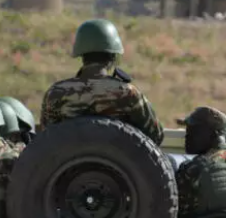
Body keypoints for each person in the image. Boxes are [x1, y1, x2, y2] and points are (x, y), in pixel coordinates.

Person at [40, 18, 163, 146]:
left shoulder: (56, 93)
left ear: (82, 56)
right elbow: (155, 136)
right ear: (113, 56)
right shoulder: (128, 93)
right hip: (119, 165)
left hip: (69, 165)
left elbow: (47, 138)